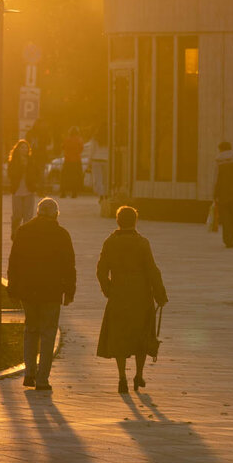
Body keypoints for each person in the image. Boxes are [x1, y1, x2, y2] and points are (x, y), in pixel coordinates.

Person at [7, 197, 76, 392]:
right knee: (48, 333)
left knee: (31, 329)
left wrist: (12, 289)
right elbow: (69, 266)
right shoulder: (61, 234)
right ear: (56, 215)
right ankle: (42, 379)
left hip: (28, 291)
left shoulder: (24, 231)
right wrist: (69, 291)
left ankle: (29, 372)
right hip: (51, 291)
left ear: (37, 213)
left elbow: (14, 262)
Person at [96, 206, 168, 394]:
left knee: (120, 337)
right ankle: (139, 375)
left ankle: (121, 378)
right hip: (141, 296)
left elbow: (101, 270)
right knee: (142, 337)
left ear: (118, 221)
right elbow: (152, 270)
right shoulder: (142, 243)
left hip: (119, 295)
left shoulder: (109, 242)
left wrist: (108, 290)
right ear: (135, 221)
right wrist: (160, 294)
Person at [8, 139, 36, 240]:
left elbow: (35, 173)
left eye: (26, 147)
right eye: (22, 147)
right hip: (17, 190)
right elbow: (11, 174)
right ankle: (14, 233)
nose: (24, 149)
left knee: (28, 216)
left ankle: (26, 235)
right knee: (17, 215)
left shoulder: (31, 160)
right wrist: (21, 167)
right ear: (18, 149)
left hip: (29, 190)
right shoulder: (14, 161)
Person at [85, 125, 109, 199]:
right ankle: (106, 194)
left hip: (96, 160)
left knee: (98, 179)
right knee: (106, 179)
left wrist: (89, 162)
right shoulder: (109, 138)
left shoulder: (95, 139)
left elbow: (91, 151)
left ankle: (101, 195)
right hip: (106, 160)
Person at [60, 126, 85, 198]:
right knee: (75, 177)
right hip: (76, 160)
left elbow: (63, 147)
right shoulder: (79, 140)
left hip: (67, 160)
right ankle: (74, 192)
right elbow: (81, 149)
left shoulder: (66, 139)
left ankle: (63, 192)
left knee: (65, 177)